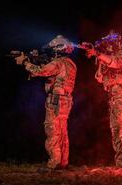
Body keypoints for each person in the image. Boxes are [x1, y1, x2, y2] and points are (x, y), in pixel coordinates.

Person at [15, 35, 77, 172]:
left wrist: (26, 63)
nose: (52, 53)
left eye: (53, 50)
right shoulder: (71, 64)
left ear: (58, 49)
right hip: (66, 100)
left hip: (55, 100)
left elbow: (40, 71)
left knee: (52, 130)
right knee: (62, 131)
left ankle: (54, 163)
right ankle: (63, 162)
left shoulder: (58, 63)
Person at [85, 30, 122, 168]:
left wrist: (98, 54)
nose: (108, 46)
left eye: (110, 43)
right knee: (115, 132)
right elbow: (99, 78)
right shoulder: (107, 57)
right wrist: (99, 58)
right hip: (114, 98)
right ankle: (121, 164)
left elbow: (115, 62)